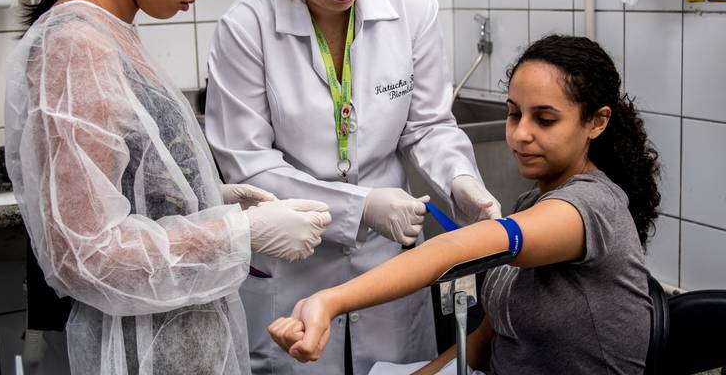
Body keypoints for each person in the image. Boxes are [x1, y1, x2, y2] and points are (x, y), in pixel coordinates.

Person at [4, 0, 332, 374]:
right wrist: (238, 233)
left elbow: (120, 186)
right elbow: (86, 255)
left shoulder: (112, 33)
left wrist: (203, 198)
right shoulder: (75, 47)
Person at [204, 0, 501, 373]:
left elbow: (428, 126)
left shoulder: (413, 8)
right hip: (293, 265)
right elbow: (247, 165)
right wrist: (361, 206)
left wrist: (462, 180)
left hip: (388, 266)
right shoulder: (245, 27)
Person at [268, 34, 661, 375]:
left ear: (596, 121)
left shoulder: (590, 207)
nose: (521, 134)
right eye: (514, 114)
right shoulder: (533, 200)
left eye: (544, 120)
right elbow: (486, 339)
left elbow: (449, 252)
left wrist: (328, 300)